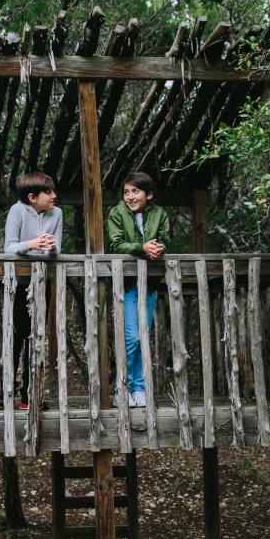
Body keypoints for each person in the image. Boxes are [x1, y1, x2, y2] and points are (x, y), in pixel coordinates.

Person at [106, 172, 170, 408]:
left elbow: (165, 239)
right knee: (131, 336)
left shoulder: (160, 214)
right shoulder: (116, 213)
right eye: (126, 192)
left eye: (135, 191)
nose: (130, 197)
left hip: (150, 283)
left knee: (143, 335)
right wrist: (141, 247)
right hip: (126, 283)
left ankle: (139, 388)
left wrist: (157, 248)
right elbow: (115, 244)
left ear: (149, 194)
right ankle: (121, 387)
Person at [3, 172, 62, 409]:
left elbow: (55, 251)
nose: (54, 196)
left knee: (35, 338)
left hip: (41, 283)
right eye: (48, 193)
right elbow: (9, 248)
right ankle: (6, 393)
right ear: (32, 197)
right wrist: (32, 244)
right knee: (16, 336)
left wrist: (51, 247)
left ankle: (29, 396)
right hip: (17, 284)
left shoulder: (56, 213)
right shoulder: (17, 211)